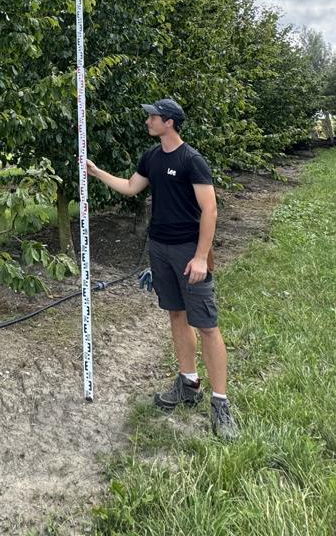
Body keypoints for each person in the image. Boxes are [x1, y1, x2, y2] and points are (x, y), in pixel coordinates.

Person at [86, 98, 239, 441]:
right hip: (160, 249)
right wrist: (96, 173)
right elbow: (130, 187)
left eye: (152, 117)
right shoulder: (151, 158)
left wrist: (200, 257)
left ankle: (220, 403)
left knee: (207, 325)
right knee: (176, 315)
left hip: (189, 251)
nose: (147, 121)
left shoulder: (192, 160)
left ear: (169, 122)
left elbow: (210, 210)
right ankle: (188, 382)